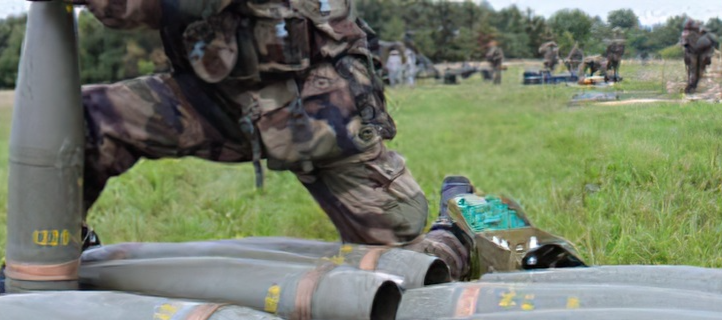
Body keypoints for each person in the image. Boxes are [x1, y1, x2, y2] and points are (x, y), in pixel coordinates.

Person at [73, 0, 473, 277]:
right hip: (220, 99)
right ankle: (55, 250)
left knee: (401, 264)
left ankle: (454, 238)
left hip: (319, 111)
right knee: (88, 120)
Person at [680, 19, 718, 93]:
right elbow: (685, 44)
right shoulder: (687, 34)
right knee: (694, 72)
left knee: (696, 72)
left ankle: (692, 87)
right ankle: (691, 87)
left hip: (699, 54)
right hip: (692, 54)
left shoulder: (700, 34)